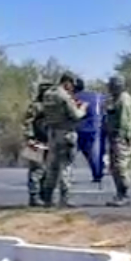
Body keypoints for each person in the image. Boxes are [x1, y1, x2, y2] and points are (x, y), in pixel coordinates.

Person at [39, 72, 87, 208]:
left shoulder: (48, 94)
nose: (72, 88)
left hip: (52, 133)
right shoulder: (64, 96)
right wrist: (82, 108)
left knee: (52, 167)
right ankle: (64, 199)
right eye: (72, 85)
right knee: (65, 167)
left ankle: (47, 198)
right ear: (68, 82)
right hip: (66, 133)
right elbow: (76, 115)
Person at [105, 75, 131, 207]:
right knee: (114, 167)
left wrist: (121, 137)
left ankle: (124, 194)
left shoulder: (124, 100)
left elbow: (125, 121)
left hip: (121, 137)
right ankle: (119, 193)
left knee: (120, 166)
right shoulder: (116, 99)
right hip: (115, 137)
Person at [22, 82, 51, 207]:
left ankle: (44, 196)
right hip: (36, 140)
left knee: (48, 170)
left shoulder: (52, 107)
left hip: (49, 141)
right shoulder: (35, 106)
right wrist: (30, 138)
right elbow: (27, 122)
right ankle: (34, 196)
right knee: (36, 170)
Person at [72, 77, 105, 186]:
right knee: (94, 153)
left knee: (70, 154)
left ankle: (63, 175)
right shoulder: (96, 96)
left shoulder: (73, 98)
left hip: (80, 128)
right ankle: (97, 174)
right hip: (96, 128)